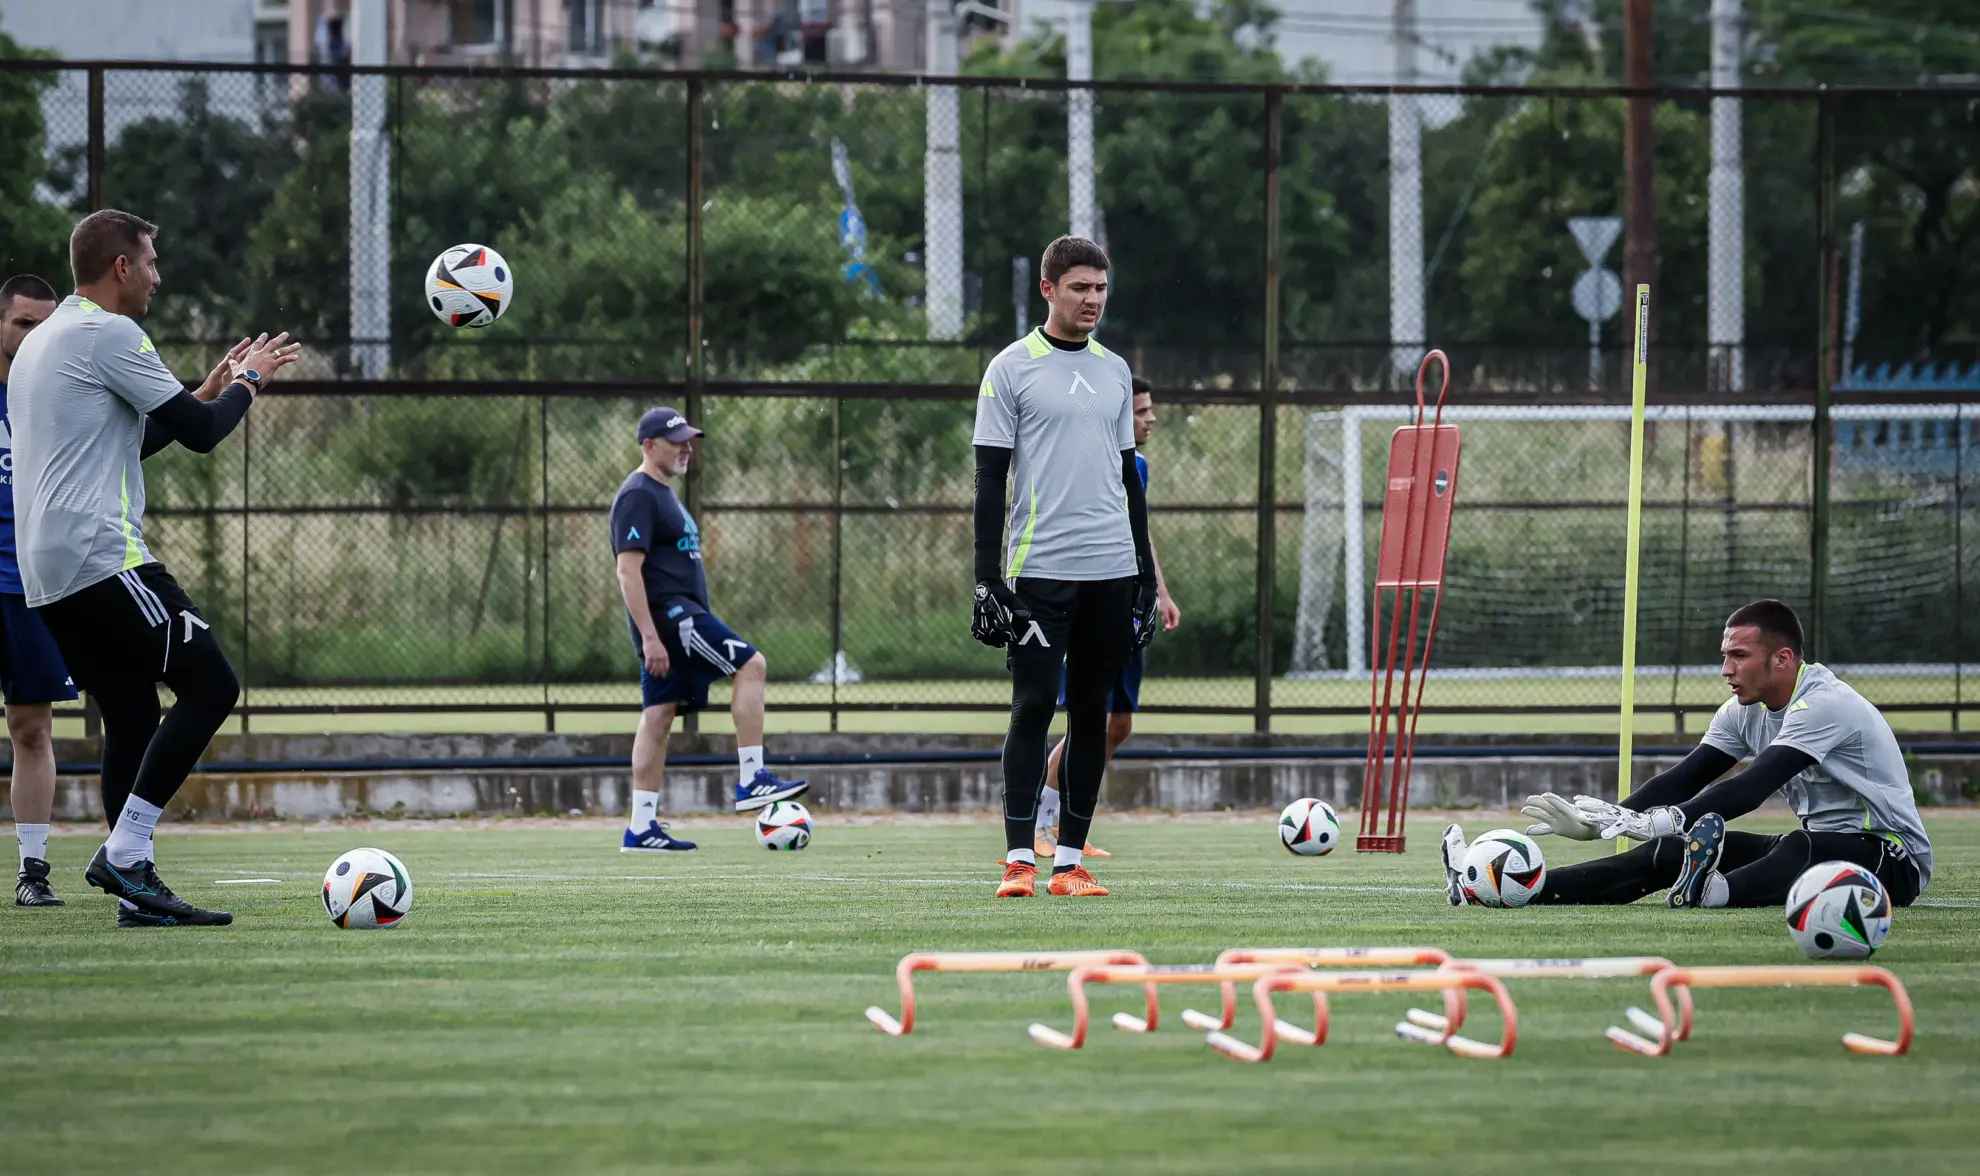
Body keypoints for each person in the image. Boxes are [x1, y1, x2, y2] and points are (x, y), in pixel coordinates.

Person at [10, 209, 299, 927]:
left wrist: (205, 391)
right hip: (102, 557)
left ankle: (133, 891)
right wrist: (250, 383)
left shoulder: (45, 341)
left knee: (133, 713)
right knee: (213, 684)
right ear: (122, 268)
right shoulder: (109, 333)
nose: (157, 278)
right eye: (150, 262)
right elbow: (201, 436)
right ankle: (126, 852)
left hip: (48, 574)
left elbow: (122, 444)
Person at [1442, 599, 1931, 910]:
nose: (1725, 669)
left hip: (1891, 858)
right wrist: (1606, 821)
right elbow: (1684, 778)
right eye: (1725, 656)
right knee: (1668, 852)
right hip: (1817, 847)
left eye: (1739, 656)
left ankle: (1713, 893)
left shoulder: (1825, 704)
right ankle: (1501, 888)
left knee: (1798, 848)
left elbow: (1752, 787)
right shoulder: (1742, 710)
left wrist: (1659, 820)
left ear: (1782, 659)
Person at [972, 235, 1157, 898]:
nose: (1093, 299)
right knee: (1031, 708)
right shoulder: (1010, 368)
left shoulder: (1115, 371)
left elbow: (1130, 480)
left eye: (1100, 288)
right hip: (1041, 570)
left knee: (1091, 715)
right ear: (1048, 289)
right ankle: (1019, 861)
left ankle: (1070, 863)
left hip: (1111, 571)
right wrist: (987, 577)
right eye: (1080, 287)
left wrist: (1145, 578)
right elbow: (989, 478)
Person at [611, 405, 808, 852]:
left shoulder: (662, 493)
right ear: (649, 445)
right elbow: (628, 571)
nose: (686, 448)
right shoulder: (638, 494)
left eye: (689, 441)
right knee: (752, 665)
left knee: (658, 716)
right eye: (676, 441)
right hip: (673, 618)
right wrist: (649, 636)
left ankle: (641, 828)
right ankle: (752, 778)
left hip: (675, 620)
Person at [1033, 375, 1181, 859]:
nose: (1150, 418)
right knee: (1088, 721)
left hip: (1130, 606)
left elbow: (1140, 531)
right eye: (1140, 411)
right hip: (1095, 604)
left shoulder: (1138, 466)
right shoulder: (1093, 462)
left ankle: (1069, 821)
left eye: (1150, 409)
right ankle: (1042, 821)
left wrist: (1159, 592)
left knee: (1118, 725)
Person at [1, 274, 70, 906]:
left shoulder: (58, 397)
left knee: (31, 728)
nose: (32, 337)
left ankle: (33, 872)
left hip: (28, 586)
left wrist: (206, 396)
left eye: (44, 326)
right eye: (22, 323)